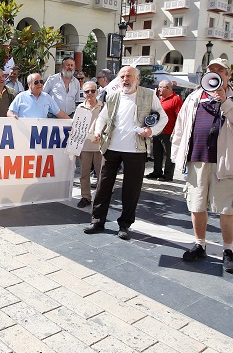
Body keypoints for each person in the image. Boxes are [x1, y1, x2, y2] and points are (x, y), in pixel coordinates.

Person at [170, 58, 233, 273]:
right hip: (197, 159)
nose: (216, 73)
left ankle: (228, 250)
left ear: (228, 75)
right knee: (197, 205)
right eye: (211, 70)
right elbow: (180, 128)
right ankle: (200, 244)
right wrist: (176, 154)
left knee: (227, 208)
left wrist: (226, 101)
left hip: (225, 163)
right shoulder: (194, 97)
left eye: (220, 70)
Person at [83, 66, 167, 240]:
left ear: (137, 78)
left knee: (131, 189)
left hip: (136, 150)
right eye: (122, 77)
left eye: (129, 76)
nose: (125, 80)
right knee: (103, 186)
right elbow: (102, 118)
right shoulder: (113, 96)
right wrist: (98, 132)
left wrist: (151, 131)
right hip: (111, 148)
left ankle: (124, 225)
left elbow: (163, 117)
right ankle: (97, 221)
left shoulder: (148, 94)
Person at [70, 80, 104, 208]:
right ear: (83, 94)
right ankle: (85, 197)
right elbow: (75, 128)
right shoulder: (80, 108)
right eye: (87, 91)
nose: (90, 93)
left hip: (100, 147)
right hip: (85, 147)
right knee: (84, 174)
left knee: (102, 174)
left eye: (92, 91)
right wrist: (75, 148)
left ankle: (101, 198)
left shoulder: (103, 107)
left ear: (97, 92)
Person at [146, 80, 183, 182]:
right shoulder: (159, 99)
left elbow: (180, 117)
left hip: (169, 133)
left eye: (161, 87)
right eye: (159, 87)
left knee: (169, 155)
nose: (159, 89)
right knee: (157, 153)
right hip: (158, 131)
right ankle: (157, 171)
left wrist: (176, 131)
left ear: (168, 88)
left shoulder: (176, 100)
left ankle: (168, 175)